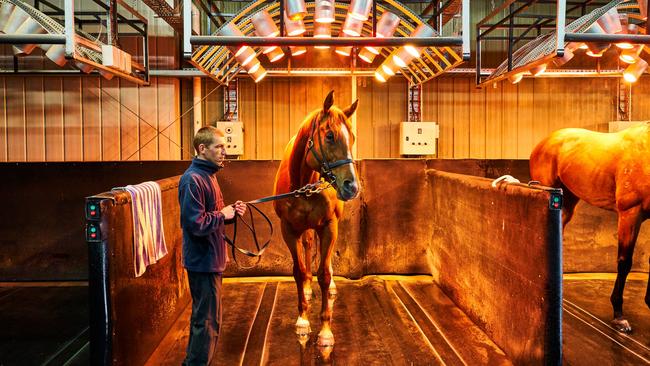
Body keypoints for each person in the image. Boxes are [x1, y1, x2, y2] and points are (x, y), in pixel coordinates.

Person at [179, 126, 246, 366]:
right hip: (203, 261)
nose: (224, 152)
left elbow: (212, 215)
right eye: (219, 147)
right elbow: (195, 223)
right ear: (202, 149)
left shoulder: (209, 176)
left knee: (208, 321)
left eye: (225, 147)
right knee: (206, 323)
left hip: (211, 260)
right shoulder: (193, 180)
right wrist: (222, 215)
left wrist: (230, 214)